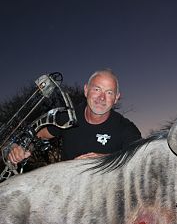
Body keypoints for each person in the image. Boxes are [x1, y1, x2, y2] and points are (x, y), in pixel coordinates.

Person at [8, 69, 142, 164]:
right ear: (86, 90)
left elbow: (139, 158)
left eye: (109, 92)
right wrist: (21, 149)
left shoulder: (126, 128)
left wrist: (105, 159)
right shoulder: (68, 117)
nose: (102, 97)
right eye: (97, 89)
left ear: (116, 98)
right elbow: (38, 135)